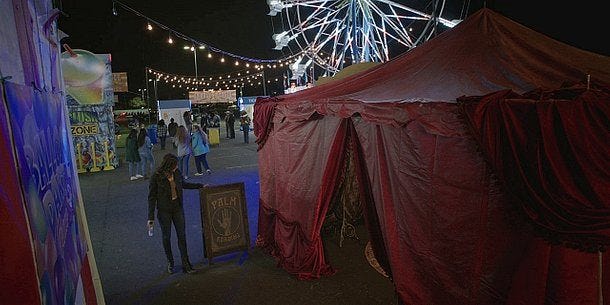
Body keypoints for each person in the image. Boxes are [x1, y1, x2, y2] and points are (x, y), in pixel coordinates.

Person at [147, 153, 204, 274]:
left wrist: (200, 186)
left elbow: (184, 184)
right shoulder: (156, 177)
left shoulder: (177, 173)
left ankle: (186, 264)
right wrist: (150, 217)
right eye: (174, 166)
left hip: (177, 208)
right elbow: (151, 197)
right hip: (164, 211)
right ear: (168, 166)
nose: (177, 168)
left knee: (182, 236)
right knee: (166, 237)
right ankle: (170, 262)